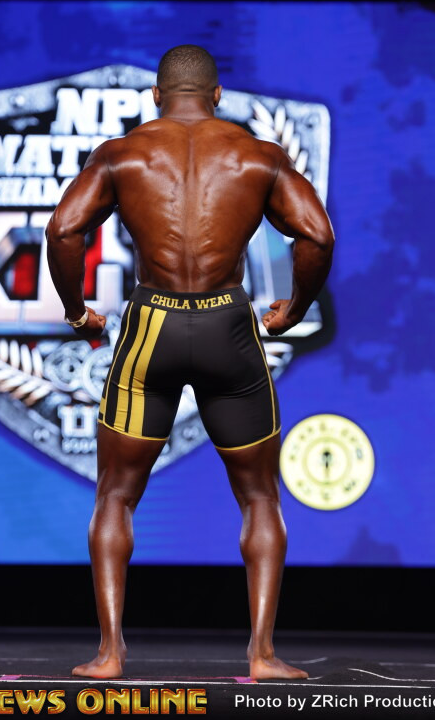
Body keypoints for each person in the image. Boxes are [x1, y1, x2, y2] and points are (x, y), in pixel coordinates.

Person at [46, 45, 335, 680]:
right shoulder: (259, 155)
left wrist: (77, 312)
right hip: (229, 327)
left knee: (116, 494)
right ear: (218, 94)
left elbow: (64, 229)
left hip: (153, 326)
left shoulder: (121, 154)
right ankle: (262, 655)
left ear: (156, 96)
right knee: (259, 496)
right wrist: (293, 308)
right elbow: (317, 234)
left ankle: (110, 654)